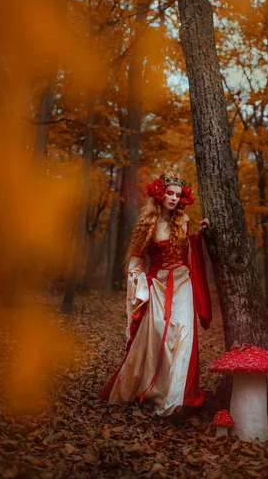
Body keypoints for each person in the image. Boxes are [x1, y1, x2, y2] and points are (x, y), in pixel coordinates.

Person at [99, 171, 212, 417]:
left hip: (183, 283)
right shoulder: (147, 224)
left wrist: (197, 236)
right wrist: (140, 289)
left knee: (182, 332)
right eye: (169, 193)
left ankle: (176, 398)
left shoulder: (183, 221)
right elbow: (136, 261)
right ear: (160, 195)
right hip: (158, 285)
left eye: (177, 195)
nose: (173, 198)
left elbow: (188, 251)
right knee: (159, 332)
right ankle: (153, 390)